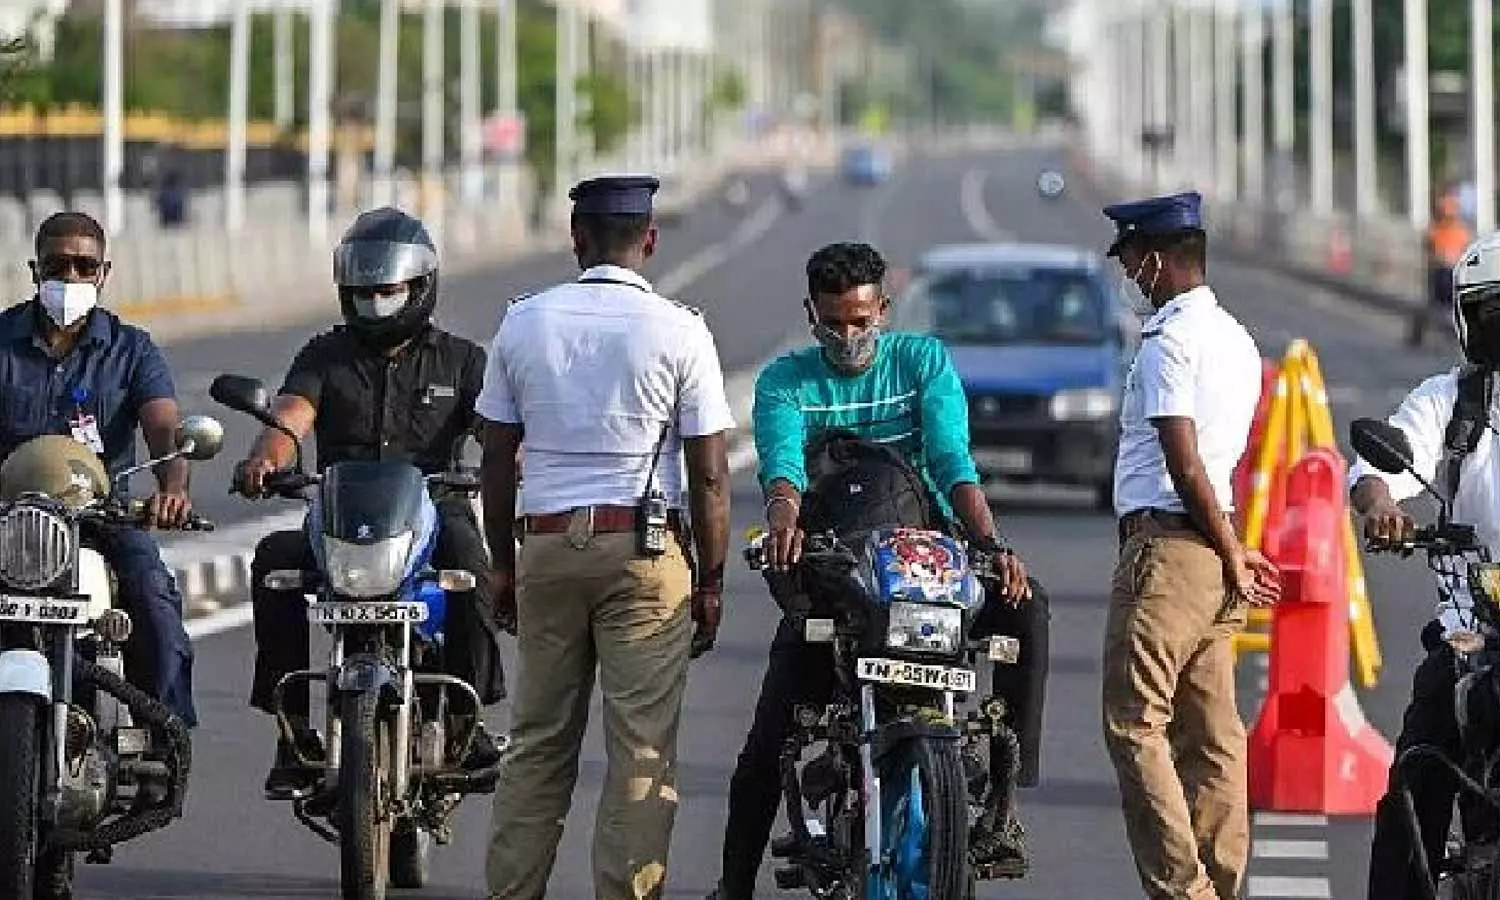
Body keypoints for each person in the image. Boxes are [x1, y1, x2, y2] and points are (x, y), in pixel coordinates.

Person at [705, 241, 1050, 900]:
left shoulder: (923, 362)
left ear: (883, 311)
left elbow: (952, 461)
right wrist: (783, 520)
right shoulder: (787, 381)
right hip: (835, 571)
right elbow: (783, 468)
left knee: (1026, 607)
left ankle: (1004, 798)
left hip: (928, 566)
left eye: (861, 321)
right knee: (765, 747)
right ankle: (732, 886)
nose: (848, 337)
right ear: (811, 315)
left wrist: (992, 543)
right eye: (833, 323)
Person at [478, 174, 734, 900]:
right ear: (649, 241)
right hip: (646, 554)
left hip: (548, 549)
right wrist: (711, 582)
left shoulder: (524, 322)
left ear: (575, 239)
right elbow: (710, 475)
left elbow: (496, 458)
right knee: (641, 752)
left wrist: (504, 567)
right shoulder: (681, 329)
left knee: (537, 746)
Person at [230, 207, 507, 799]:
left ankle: (467, 718)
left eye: (388, 291)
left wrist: (509, 466)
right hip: (341, 516)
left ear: (419, 286)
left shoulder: (462, 361)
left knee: (474, 568)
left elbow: (493, 433)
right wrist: (264, 461)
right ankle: (294, 727)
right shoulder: (323, 357)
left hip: (433, 511)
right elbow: (288, 421)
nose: (375, 302)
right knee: (272, 561)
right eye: (364, 292)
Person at [1100, 191, 1282, 900]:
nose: (1127, 274)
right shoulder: (1236, 337)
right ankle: (1223, 881)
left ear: (1154, 260)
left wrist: (1231, 549)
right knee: (1212, 737)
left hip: (1168, 552)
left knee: (1134, 723)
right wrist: (1231, 548)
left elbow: (1185, 461)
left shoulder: (1170, 341)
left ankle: (1185, 890)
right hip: (1210, 556)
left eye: (1129, 261)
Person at [0, 211, 199, 728]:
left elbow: (164, 430)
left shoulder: (132, 350)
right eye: (57, 265)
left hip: (103, 518)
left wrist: (172, 489)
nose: (70, 277)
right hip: (10, 521)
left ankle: (164, 739)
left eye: (83, 266)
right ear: (34, 270)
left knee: (154, 601)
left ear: (103, 273)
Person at [1357, 230, 1500, 899]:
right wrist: (1382, 506)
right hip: (1475, 635)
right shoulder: (1453, 405)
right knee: (1416, 775)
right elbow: (1375, 468)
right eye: (1495, 315)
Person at [1409, 186, 1472, 348]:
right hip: (1440, 271)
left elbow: (1465, 250)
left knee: (1451, 304)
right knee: (1433, 305)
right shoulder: (1435, 229)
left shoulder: (1459, 229)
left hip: (1453, 271)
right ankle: (1418, 335)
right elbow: (1429, 250)